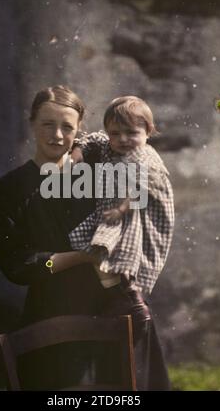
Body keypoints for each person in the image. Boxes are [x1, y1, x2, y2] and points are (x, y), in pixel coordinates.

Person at [0, 85, 107, 390]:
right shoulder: (10, 189)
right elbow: (17, 266)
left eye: (67, 127)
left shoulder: (96, 179)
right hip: (47, 316)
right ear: (31, 123)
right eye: (47, 124)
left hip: (105, 311)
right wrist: (82, 256)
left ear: (78, 130)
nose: (57, 135)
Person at [69, 96, 175, 389]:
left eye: (132, 133)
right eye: (116, 133)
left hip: (141, 210)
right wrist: (77, 151)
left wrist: (120, 209)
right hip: (116, 207)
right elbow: (94, 139)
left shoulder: (145, 157)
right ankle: (118, 282)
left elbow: (141, 190)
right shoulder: (108, 144)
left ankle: (128, 282)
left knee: (125, 241)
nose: (123, 139)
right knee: (101, 239)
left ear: (148, 132)